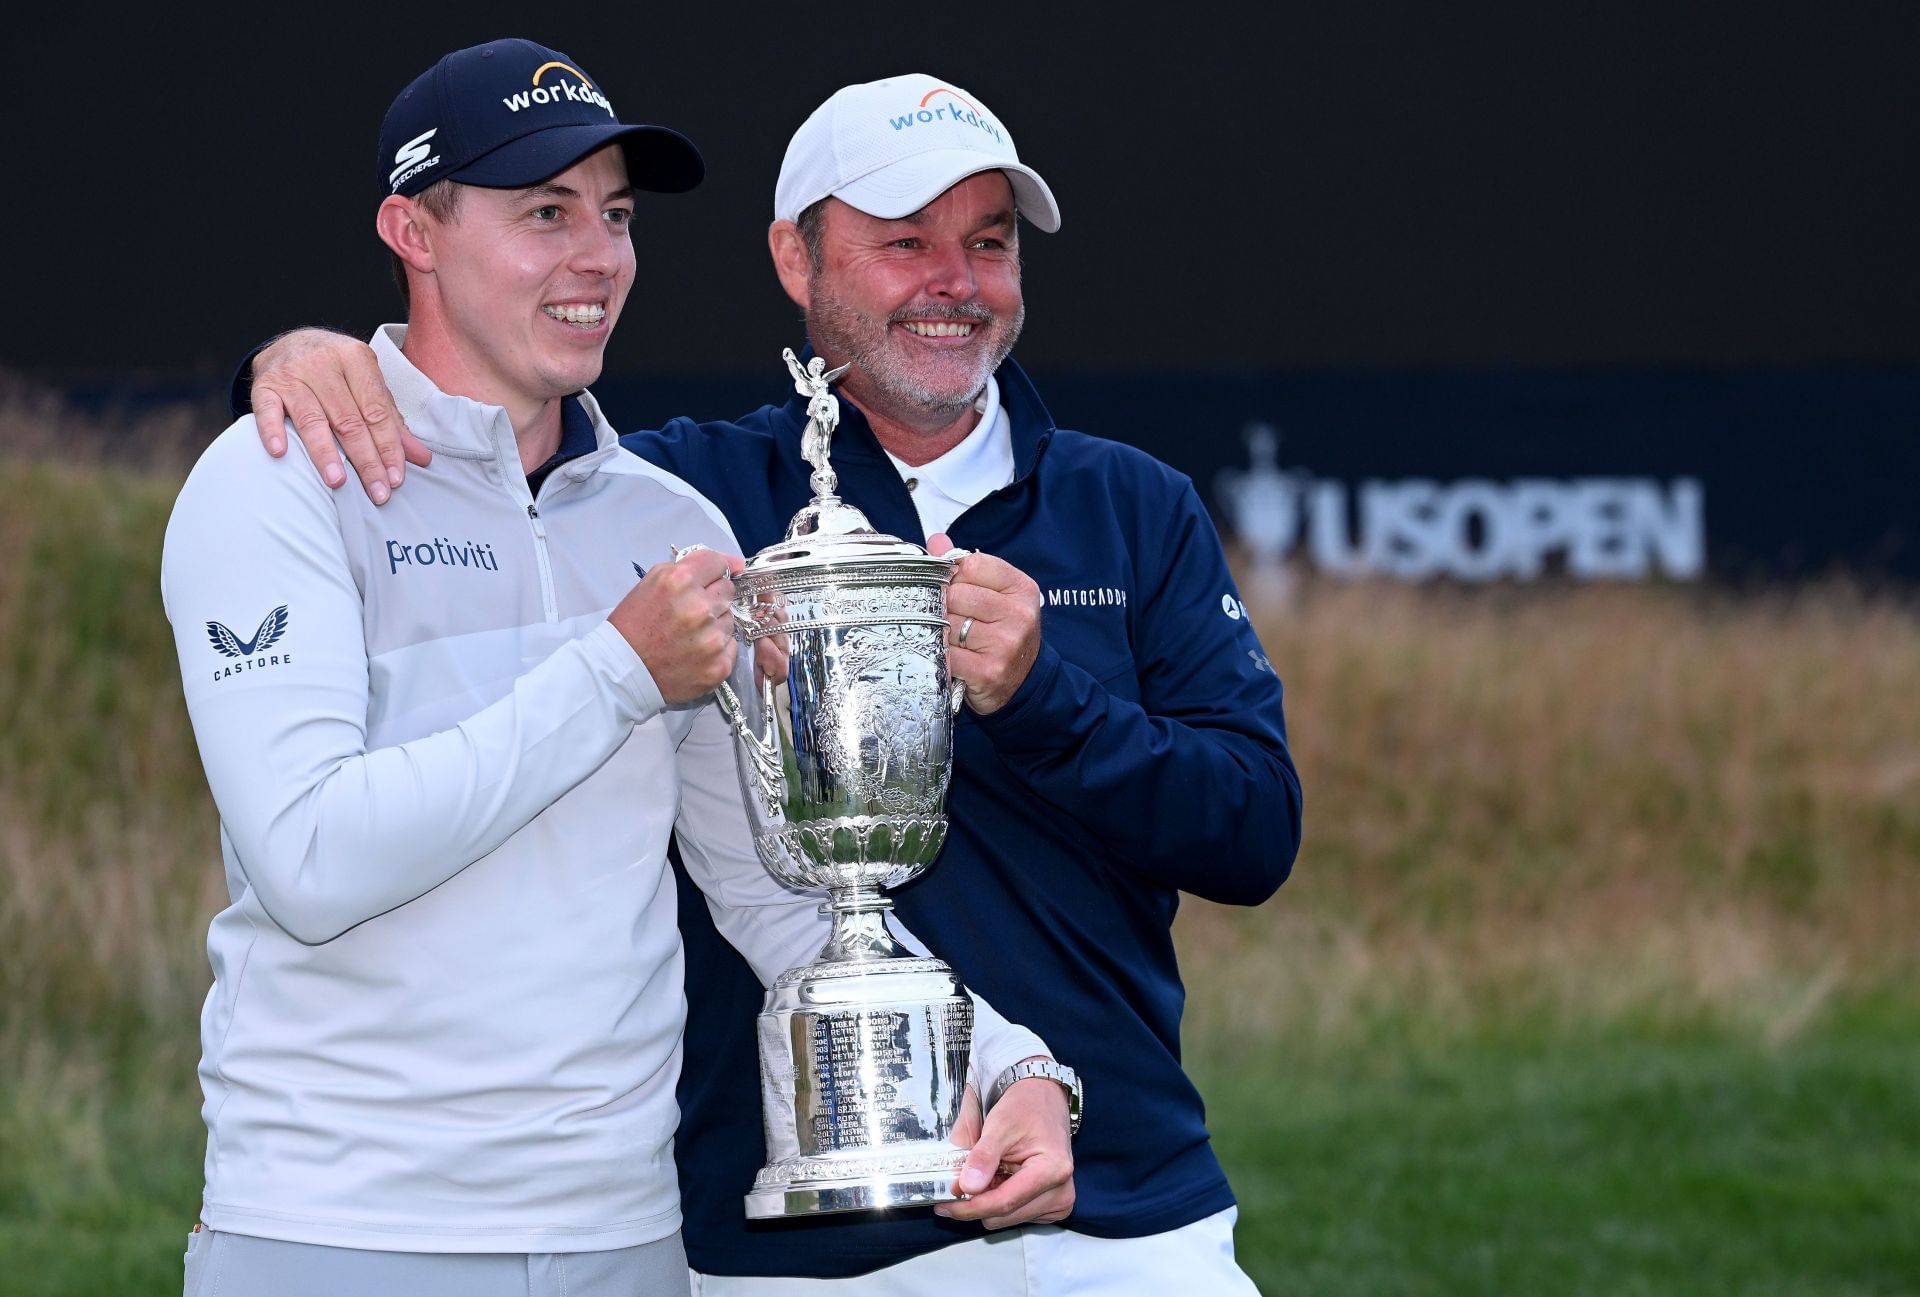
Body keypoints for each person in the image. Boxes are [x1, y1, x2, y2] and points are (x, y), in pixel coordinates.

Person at [241, 72, 1301, 1295]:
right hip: (801, 1238)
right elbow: (484, 446)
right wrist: (303, 365)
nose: (954, 283)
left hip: (1125, 1204)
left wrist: (1046, 697)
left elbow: (1254, 834)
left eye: (989, 243)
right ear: (795, 260)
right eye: (904, 243)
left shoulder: (1136, 506)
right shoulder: (685, 502)